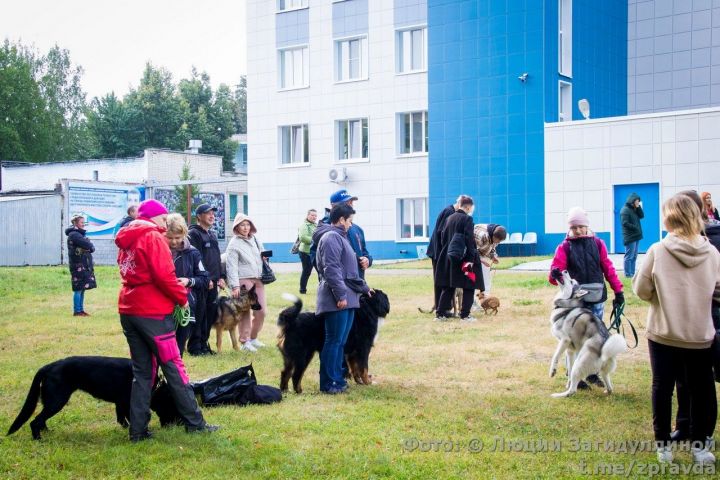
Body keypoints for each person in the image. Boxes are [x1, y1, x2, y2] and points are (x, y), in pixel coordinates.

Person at [115, 199, 218, 442]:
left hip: (129, 308)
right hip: (152, 311)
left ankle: (137, 430)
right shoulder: (152, 236)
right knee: (174, 366)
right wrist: (182, 298)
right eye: (162, 219)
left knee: (142, 372)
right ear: (153, 217)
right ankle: (195, 423)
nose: (165, 224)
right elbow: (165, 276)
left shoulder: (127, 238)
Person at [633, 194, 719, 465]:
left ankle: (663, 446)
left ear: (668, 219)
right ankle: (700, 447)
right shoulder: (713, 253)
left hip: (663, 331)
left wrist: (664, 296)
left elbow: (641, 289)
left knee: (662, 387)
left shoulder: (657, 250)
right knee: (701, 389)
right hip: (699, 333)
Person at [548, 207, 624, 389]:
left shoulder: (598, 244)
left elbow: (608, 268)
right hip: (576, 302)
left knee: (594, 336)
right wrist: (555, 274)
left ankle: (591, 373)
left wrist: (618, 291)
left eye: (581, 226)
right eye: (574, 227)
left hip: (596, 298)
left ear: (587, 226)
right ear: (569, 228)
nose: (578, 230)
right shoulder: (564, 247)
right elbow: (554, 277)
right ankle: (574, 375)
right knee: (575, 338)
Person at [669, 190, 720, 444]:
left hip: (708, 318)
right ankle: (685, 426)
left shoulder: (713, 238)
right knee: (683, 376)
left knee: (703, 380)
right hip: (683, 319)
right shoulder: (676, 241)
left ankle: (705, 432)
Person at [313, 203, 371, 394]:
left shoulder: (342, 237)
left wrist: (364, 288)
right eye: (349, 221)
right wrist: (341, 295)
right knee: (333, 341)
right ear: (341, 220)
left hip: (348, 297)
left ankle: (337, 379)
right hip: (336, 299)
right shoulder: (331, 238)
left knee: (340, 341)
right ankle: (329, 383)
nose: (351, 225)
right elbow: (331, 270)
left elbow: (350, 271)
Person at [434, 196, 484, 322]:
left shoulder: (449, 218)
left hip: (449, 257)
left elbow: (443, 238)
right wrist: (471, 259)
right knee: (469, 286)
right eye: (471, 208)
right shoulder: (467, 219)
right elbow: (469, 240)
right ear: (468, 207)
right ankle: (465, 315)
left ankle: (440, 314)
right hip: (463, 258)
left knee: (449, 286)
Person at [165, 213, 209, 357]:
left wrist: (189, 281)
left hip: (186, 305)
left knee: (178, 345)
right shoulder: (160, 250)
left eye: (177, 238)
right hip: (163, 304)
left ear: (184, 234)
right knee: (163, 345)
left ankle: (176, 376)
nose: (173, 242)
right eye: (169, 238)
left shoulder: (193, 253)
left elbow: (204, 278)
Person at [225, 213, 268, 352]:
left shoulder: (255, 239)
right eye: (242, 225)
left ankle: (254, 338)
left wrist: (265, 257)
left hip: (258, 278)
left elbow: (262, 253)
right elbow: (231, 266)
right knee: (245, 311)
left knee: (261, 311)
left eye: (247, 224)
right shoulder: (233, 244)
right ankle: (245, 341)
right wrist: (235, 286)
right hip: (243, 279)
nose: (245, 228)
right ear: (237, 227)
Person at [187, 203, 225, 356]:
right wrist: (206, 278)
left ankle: (204, 344)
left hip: (214, 282)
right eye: (208, 213)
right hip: (203, 282)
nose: (212, 216)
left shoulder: (212, 234)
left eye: (213, 213)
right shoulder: (194, 234)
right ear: (199, 216)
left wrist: (221, 276)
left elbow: (217, 258)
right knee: (200, 314)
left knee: (209, 315)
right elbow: (198, 259)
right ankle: (195, 347)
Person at [312, 189, 372, 279]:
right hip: (337, 284)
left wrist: (367, 260)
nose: (350, 205)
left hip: (357, 283)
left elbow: (364, 252)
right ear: (333, 206)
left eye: (351, 202)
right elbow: (316, 258)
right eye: (346, 203)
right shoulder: (324, 230)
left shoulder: (357, 229)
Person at [427, 197, 463, 312]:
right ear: (460, 204)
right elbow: (442, 233)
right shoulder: (449, 212)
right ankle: (442, 309)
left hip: (441, 251)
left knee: (444, 280)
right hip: (439, 252)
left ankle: (444, 307)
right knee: (441, 281)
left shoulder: (450, 211)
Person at [65, 214, 96, 317]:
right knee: (78, 288)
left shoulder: (78, 234)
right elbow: (89, 246)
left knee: (82, 288)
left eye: (84, 222)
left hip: (82, 265)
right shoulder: (75, 234)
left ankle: (81, 310)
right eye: (81, 223)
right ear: (75, 223)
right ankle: (77, 311)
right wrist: (88, 245)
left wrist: (88, 246)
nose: (83, 225)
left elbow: (90, 248)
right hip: (78, 266)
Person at [473, 223, 507, 294]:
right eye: (498, 241)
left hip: (480, 249)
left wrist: (493, 256)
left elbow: (492, 246)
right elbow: (471, 251)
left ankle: (485, 294)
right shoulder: (481, 235)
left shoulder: (495, 235)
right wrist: (481, 260)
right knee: (472, 275)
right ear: (494, 236)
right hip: (471, 251)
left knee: (486, 270)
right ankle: (472, 298)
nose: (499, 242)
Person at [620, 193, 644, 278]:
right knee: (629, 256)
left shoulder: (635, 209)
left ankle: (632, 273)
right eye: (637, 201)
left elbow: (642, 216)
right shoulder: (625, 210)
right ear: (632, 201)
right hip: (630, 236)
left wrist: (638, 207)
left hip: (636, 236)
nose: (638, 202)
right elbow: (624, 223)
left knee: (634, 256)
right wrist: (635, 227)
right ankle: (627, 274)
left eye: (639, 201)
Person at [298, 209, 318, 294]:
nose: (314, 217)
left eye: (315, 216)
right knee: (306, 272)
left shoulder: (316, 225)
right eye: (312, 215)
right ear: (308, 215)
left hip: (315, 252)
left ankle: (322, 290)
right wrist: (316, 240)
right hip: (306, 252)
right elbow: (303, 237)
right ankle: (302, 290)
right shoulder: (304, 225)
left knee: (321, 272)